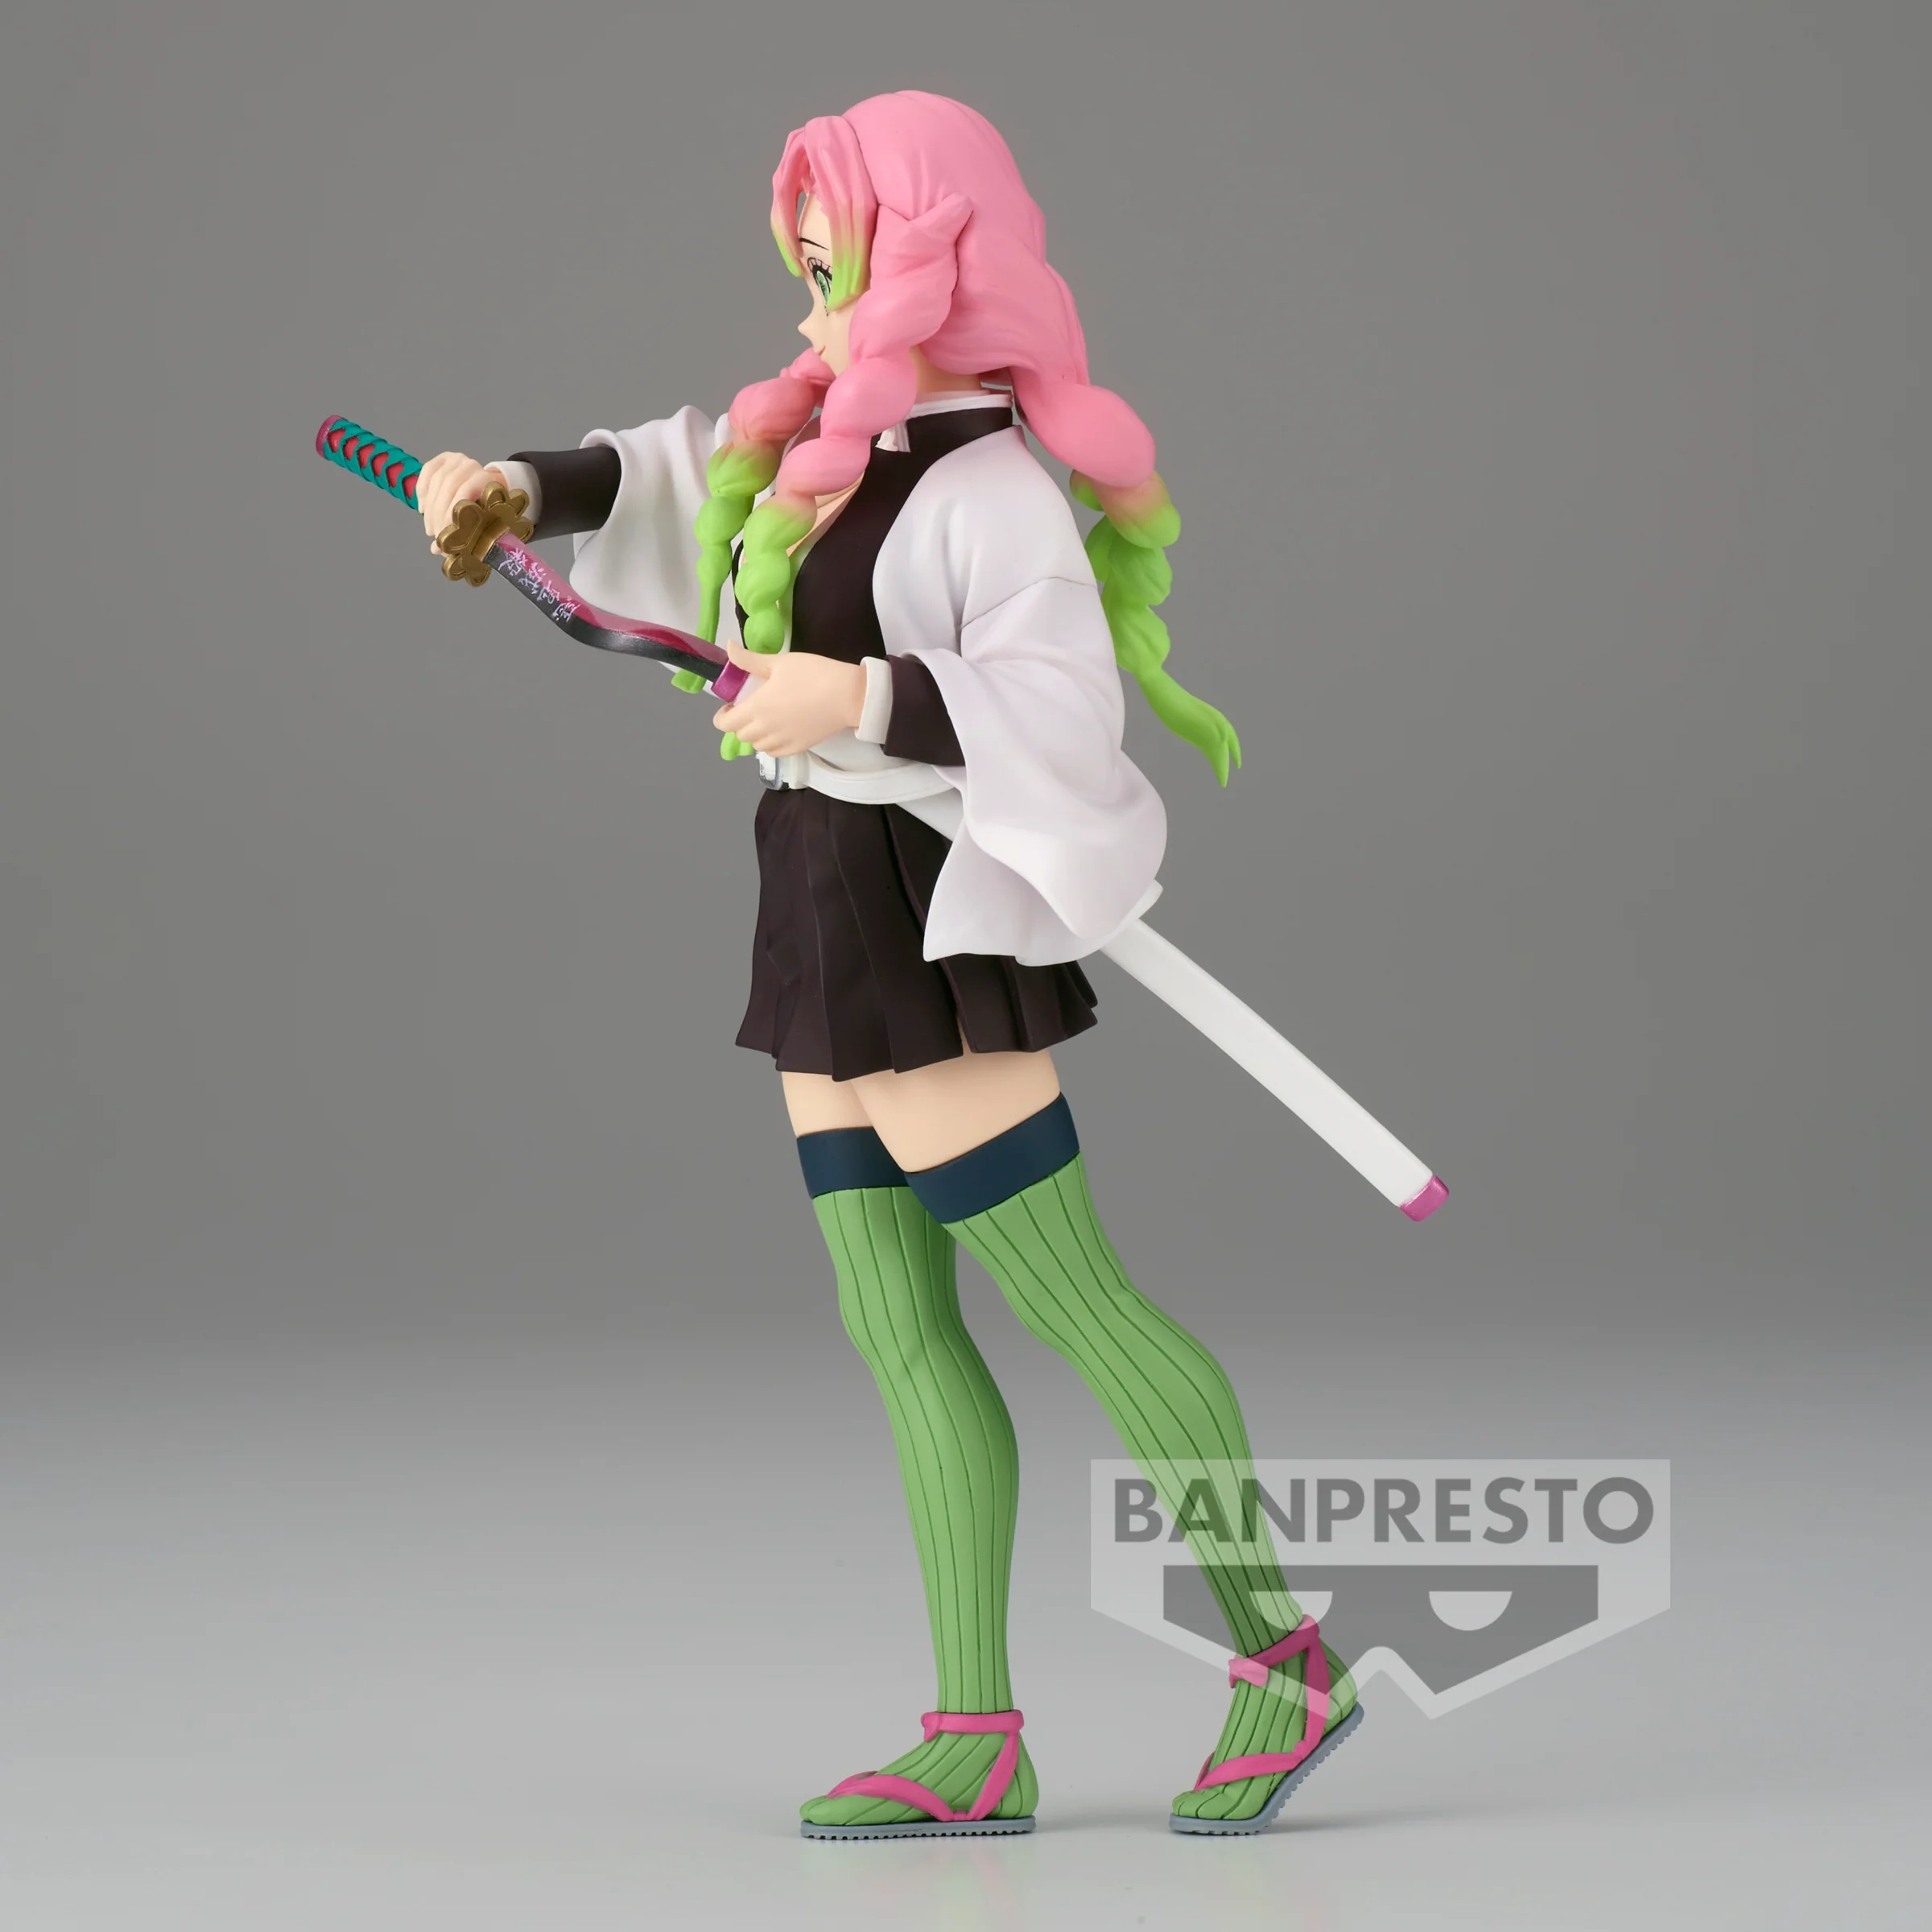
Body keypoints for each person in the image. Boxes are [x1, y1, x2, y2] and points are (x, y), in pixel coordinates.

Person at [411, 89, 1360, 1839]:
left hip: (931, 912)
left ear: (928, 264)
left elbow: (1061, 706)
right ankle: (974, 1734)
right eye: (802, 267)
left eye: (832, 264)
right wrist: (507, 486)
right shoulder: (806, 446)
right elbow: (661, 470)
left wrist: (856, 692)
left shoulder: (994, 489)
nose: (809, 299)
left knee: (1076, 1300)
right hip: (814, 899)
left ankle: (1284, 1660)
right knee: (898, 1326)